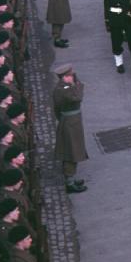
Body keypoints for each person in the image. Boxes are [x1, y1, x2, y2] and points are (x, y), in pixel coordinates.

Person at [51, 64, 87, 195]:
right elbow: (77, 97)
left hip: (71, 121)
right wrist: (76, 84)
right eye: (70, 75)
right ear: (65, 77)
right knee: (72, 151)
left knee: (73, 150)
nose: (73, 77)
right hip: (70, 123)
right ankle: (69, 182)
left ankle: (71, 178)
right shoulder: (63, 89)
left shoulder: (63, 87)